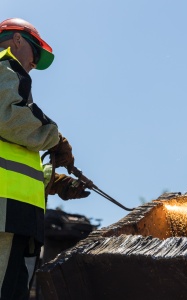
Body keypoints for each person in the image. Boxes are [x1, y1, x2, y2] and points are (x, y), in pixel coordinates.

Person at [0, 18, 90, 299]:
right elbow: (9, 118)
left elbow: (15, 157)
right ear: (16, 40)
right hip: (5, 212)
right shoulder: (3, 66)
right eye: (35, 54)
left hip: (19, 216)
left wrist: (55, 181)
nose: (34, 64)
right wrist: (55, 138)